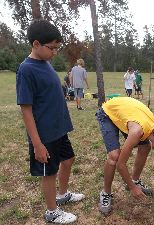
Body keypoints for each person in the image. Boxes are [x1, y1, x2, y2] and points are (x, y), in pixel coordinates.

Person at [16, 19, 84, 224]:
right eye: (52, 48)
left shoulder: (45, 63)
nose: (55, 52)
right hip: (44, 135)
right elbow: (26, 109)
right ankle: (52, 211)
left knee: (69, 159)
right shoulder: (26, 70)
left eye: (57, 48)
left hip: (59, 129)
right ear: (36, 44)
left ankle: (62, 194)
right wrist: (37, 144)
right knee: (49, 172)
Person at [95, 97, 154, 214]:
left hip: (128, 114)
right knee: (114, 157)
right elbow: (121, 164)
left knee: (145, 147)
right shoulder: (137, 132)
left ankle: (134, 180)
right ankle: (106, 193)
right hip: (108, 112)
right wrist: (132, 189)